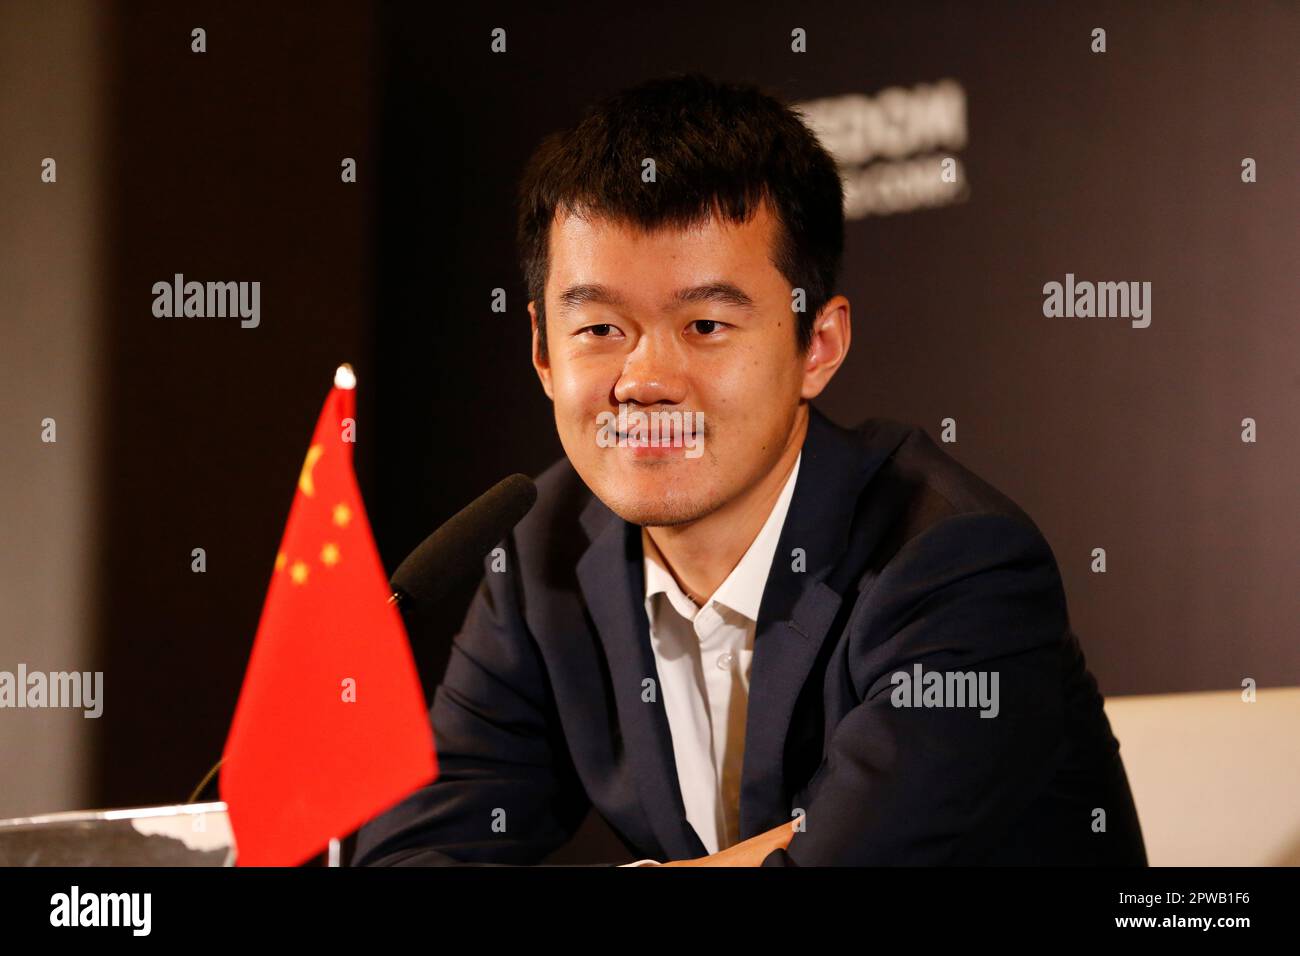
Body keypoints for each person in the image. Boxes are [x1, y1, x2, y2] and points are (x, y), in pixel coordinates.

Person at [351, 73, 1146, 866]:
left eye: (704, 324)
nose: (644, 378)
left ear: (818, 346)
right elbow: (412, 857)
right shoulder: (544, 555)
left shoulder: (954, 563)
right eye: (598, 327)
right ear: (541, 352)